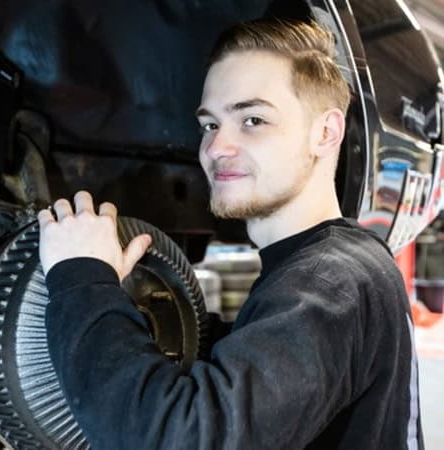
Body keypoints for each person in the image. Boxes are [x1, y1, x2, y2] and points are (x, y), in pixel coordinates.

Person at [38, 19, 424, 450]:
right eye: (209, 125)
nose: (217, 147)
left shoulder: (328, 284)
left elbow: (181, 438)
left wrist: (82, 279)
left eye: (253, 119)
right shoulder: (347, 264)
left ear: (325, 132)